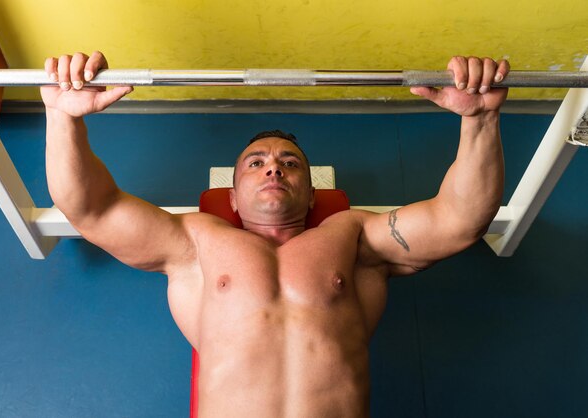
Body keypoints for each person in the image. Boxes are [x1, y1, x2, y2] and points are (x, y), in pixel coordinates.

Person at [42, 51, 509, 418]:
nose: (273, 168)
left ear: (311, 195)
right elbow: (91, 207)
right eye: (256, 162)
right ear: (232, 197)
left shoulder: (355, 238)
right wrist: (63, 117)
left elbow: (459, 219)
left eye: (290, 163)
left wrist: (481, 121)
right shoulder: (194, 243)